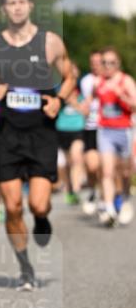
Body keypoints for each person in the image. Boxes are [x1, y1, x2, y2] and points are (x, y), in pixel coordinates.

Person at [0, 0, 75, 290]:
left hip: (41, 134)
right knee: (11, 207)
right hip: (8, 135)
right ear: (4, 10)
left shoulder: (49, 42)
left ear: (30, 7)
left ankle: (43, 217)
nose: (18, 8)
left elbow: (70, 74)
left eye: (22, 2)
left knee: (37, 204)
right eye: (11, 3)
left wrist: (59, 99)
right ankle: (25, 269)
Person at [93, 48, 136, 227]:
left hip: (124, 130)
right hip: (105, 131)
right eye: (104, 62)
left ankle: (124, 198)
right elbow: (91, 102)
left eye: (112, 62)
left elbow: (134, 104)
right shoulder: (99, 82)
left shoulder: (126, 81)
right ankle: (109, 209)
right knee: (108, 171)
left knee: (125, 172)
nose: (108, 66)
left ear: (118, 64)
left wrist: (121, 95)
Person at [54, 63, 85, 206]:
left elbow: (86, 111)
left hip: (77, 128)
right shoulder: (58, 89)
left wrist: (74, 103)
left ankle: (77, 188)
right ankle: (69, 189)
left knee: (77, 157)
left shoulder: (82, 90)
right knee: (66, 163)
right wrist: (62, 101)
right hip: (62, 128)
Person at [79, 50, 104, 216]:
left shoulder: (111, 79)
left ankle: (106, 198)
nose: (95, 65)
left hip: (107, 127)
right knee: (92, 165)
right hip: (91, 127)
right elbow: (85, 105)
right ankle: (94, 189)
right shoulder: (86, 81)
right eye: (92, 62)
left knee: (107, 165)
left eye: (99, 62)